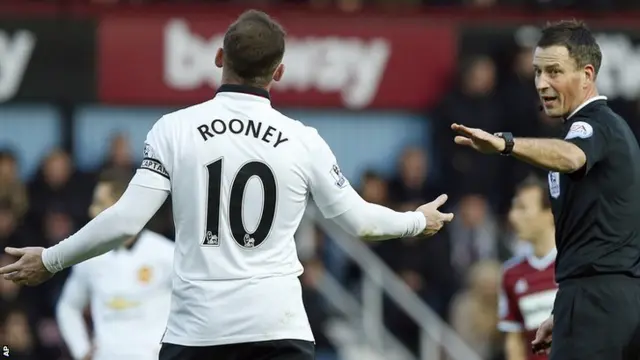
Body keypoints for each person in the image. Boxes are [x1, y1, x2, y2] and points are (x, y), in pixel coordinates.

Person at [0, 10, 454, 360]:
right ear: (278, 72)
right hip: (279, 330)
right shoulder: (304, 140)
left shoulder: (173, 130)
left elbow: (124, 221)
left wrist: (51, 259)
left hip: (199, 334)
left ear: (219, 59)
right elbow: (359, 222)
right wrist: (418, 220)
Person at [451, 20, 640, 360]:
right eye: (538, 72)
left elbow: (571, 156)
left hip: (598, 301)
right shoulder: (603, 130)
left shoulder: (593, 125)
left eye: (554, 71)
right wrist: (565, 309)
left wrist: (504, 143)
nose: (542, 83)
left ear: (587, 74)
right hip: (592, 299)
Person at [55, 170, 173, 360]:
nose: (91, 210)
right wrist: (81, 351)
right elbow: (68, 307)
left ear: (123, 207)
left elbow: (197, 304)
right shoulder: (89, 257)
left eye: (100, 204)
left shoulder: (166, 253)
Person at [498, 176, 557, 360]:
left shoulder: (577, 265)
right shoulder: (510, 274)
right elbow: (514, 339)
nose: (513, 216)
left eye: (522, 208)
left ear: (550, 213)